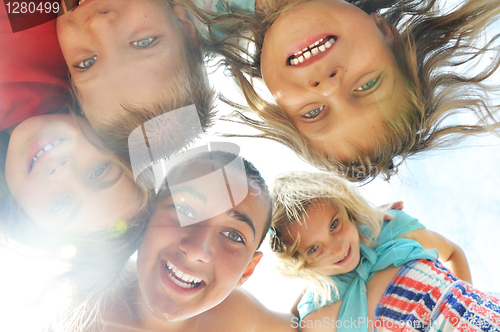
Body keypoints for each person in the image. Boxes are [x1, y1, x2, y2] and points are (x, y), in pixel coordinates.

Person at [224, 0, 500, 182]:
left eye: (314, 112)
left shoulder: (191, 27)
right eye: (367, 85)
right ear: (385, 29)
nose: (330, 86)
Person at [62, 150, 296, 332]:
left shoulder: (238, 316)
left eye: (233, 235)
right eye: (185, 210)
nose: (196, 249)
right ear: (147, 215)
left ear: (247, 270)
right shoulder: (72, 296)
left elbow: (307, 323)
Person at [268, 171, 499, 331]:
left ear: (347, 207)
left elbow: (453, 252)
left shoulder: (389, 227)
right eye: (314, 248)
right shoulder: (319, 313)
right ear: (299, 263)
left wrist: (468, 313)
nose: (338, 248)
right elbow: (290, 322)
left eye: (334, 224)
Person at [55, 0, 266, 164]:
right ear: (186, 26)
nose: (98, 24)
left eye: (86, 63)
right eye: (143, 43)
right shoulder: (217, 9)